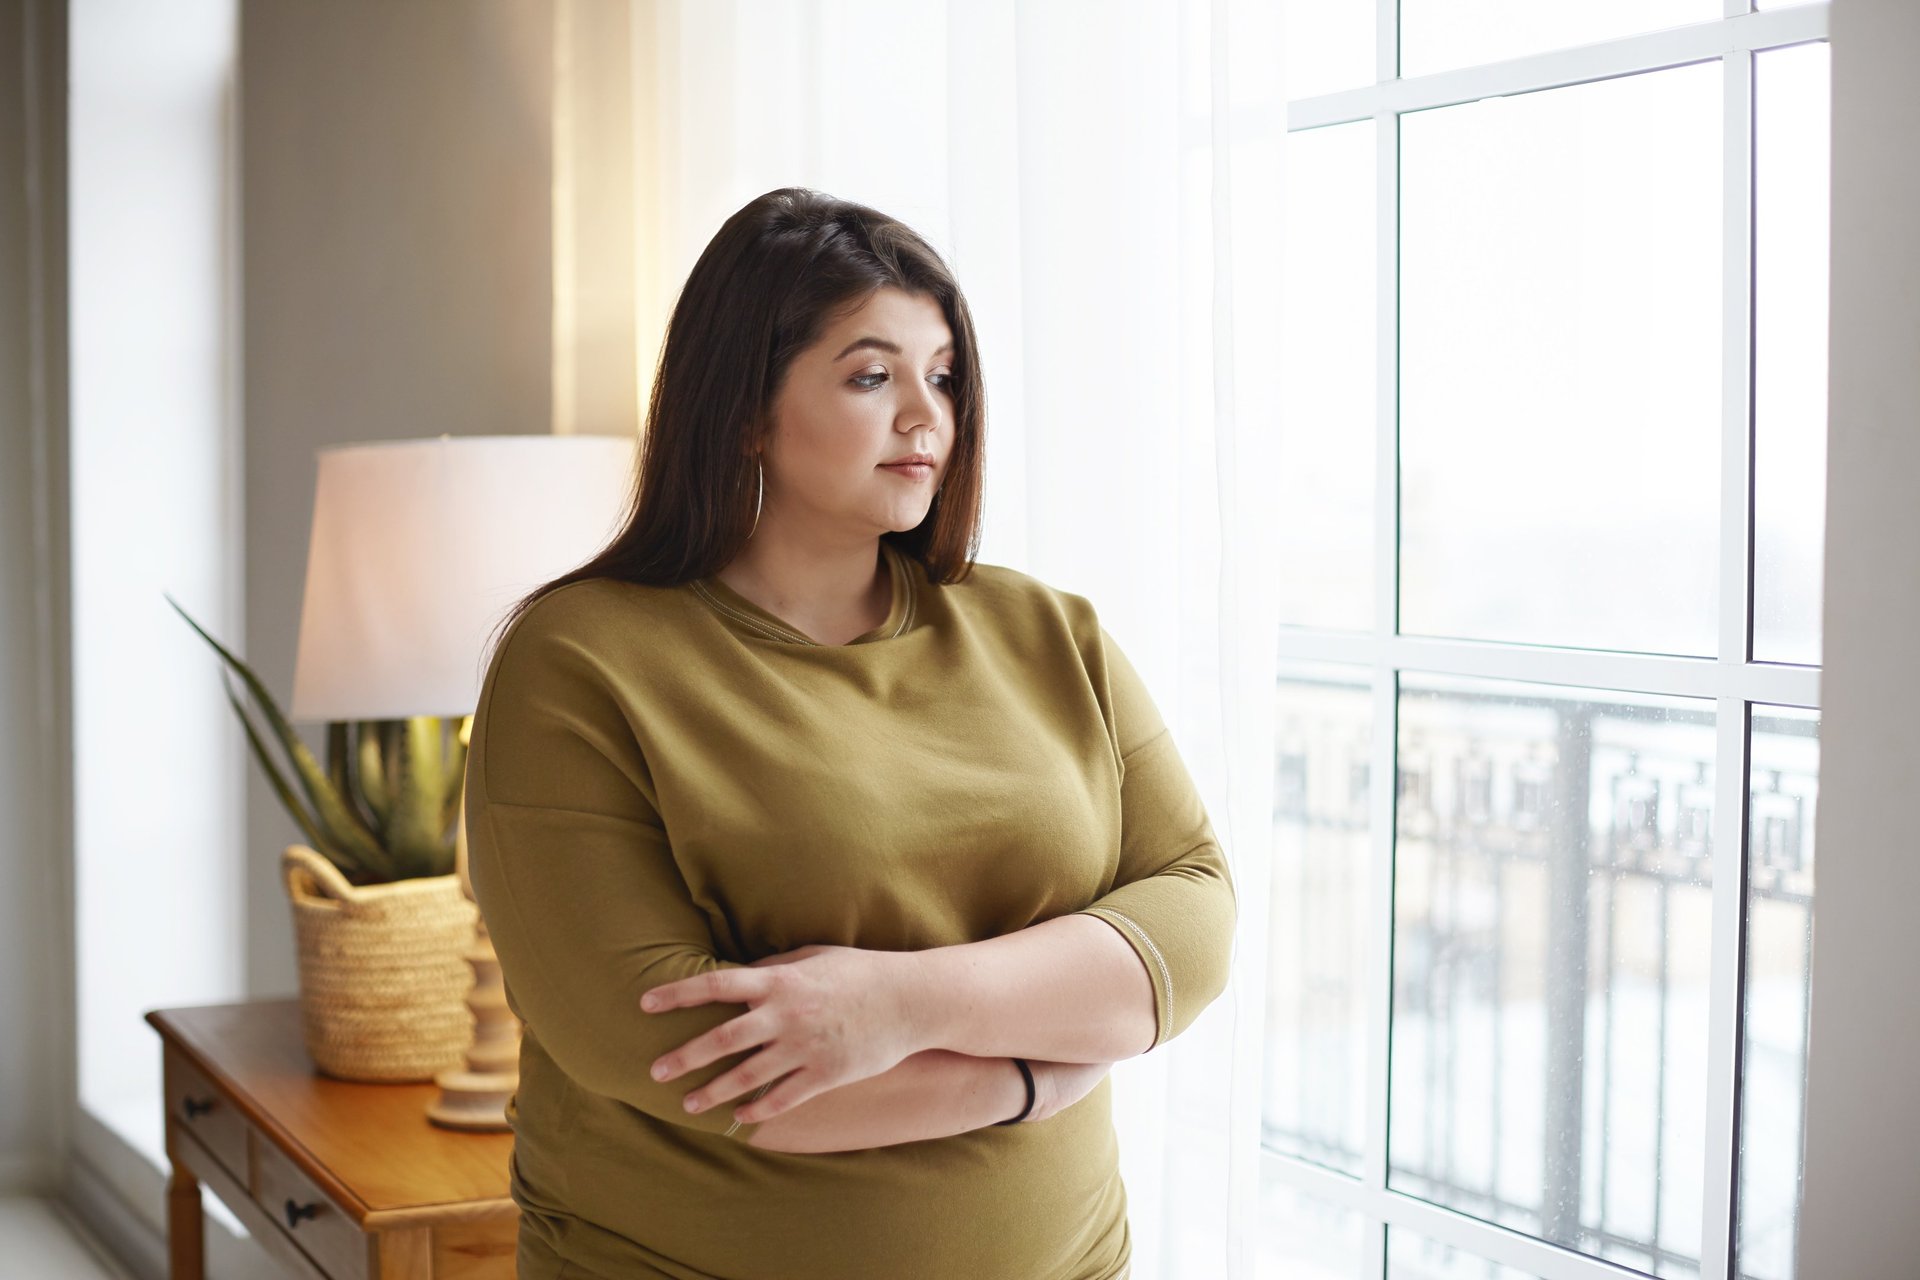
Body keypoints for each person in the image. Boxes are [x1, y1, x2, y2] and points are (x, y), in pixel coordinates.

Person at [464, 186, 1237, 1280]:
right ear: (745, 408)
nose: (926, 416)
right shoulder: (581, 660)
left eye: (944, 376)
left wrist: (898, 1005)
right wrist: (1043, 1068)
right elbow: (703, 1062)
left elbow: (1194, 918)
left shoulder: (1045, 630)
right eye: (872, 376)